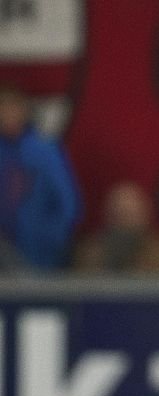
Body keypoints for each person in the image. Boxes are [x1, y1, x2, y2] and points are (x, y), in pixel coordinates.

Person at [0, 83, 82, 271]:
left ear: (24, 110)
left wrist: (51, 238)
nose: (7, 114)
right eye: (2, 108)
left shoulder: (45, 151)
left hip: (40, 257)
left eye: (13, 107)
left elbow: (68, 204)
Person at [73, 181, 159, 274]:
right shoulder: (90, 253)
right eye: (118, 214)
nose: (124, 221)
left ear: (144, 214)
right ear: (107, 215)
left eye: (129, 214)